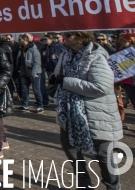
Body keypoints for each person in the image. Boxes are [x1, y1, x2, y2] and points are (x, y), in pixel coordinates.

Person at [50, 31, 122, 189]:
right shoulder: (66, 55)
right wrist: (55, 82)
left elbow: (101, 87)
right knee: (71, 151)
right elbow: (59, 77)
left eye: (70, 35)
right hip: (69, 113)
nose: (65, 38)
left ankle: (113, 186)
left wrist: (66, 82)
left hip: (96, 114)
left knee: (104, 156)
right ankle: (85, 185)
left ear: (82, 38)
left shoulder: (96, 57)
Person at [17, 34, 43, 113]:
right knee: (24, 89)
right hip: (24, 71)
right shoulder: (21, 48)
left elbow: (37, 62)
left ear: (25, 40)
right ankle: (25, 105)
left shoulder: (33, 49)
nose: (19, 41)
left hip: (33, 71)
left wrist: (34, 73)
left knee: (36, 90)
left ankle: (40, 106)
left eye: (20, 40)